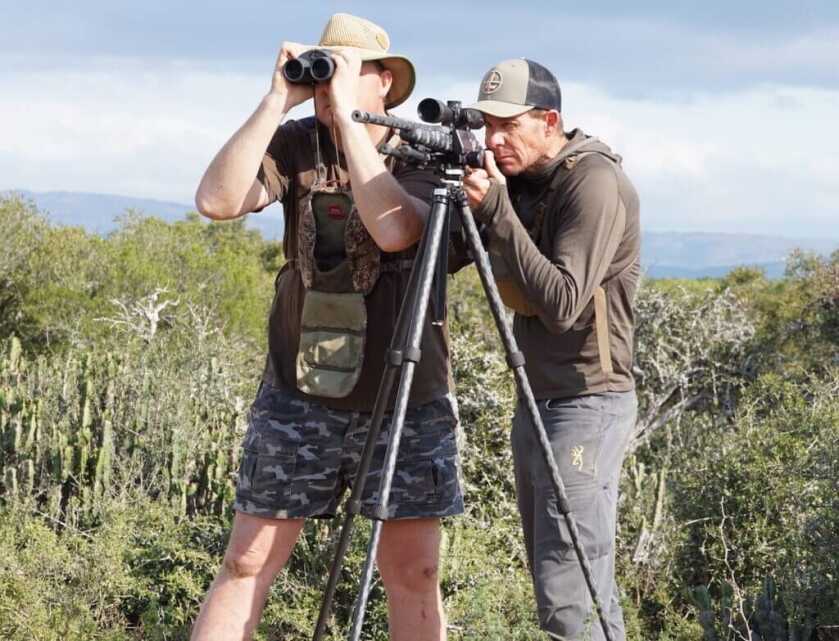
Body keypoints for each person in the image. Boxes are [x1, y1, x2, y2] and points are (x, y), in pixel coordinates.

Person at [191, 14, 463, 641]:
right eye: (321, 68)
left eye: (343, 70)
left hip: (404, 401)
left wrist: (349, 123)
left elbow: (397, 229)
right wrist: (273, 102)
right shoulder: (294, 143)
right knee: (247, 561)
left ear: (384, 80)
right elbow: (216, 201)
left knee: (413, 573)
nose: (326, 83)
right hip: (299, 392)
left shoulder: (423, 151)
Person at [462, 58, 640, 640]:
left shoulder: (593, 181)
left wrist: (495, 211)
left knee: (567, 586)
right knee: (576, 579)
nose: (495, 139)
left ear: (549, 120)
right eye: (488, 124)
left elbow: (562, 304)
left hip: (588, 400)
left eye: (509, 125)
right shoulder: (520, 181)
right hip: (538, 400)